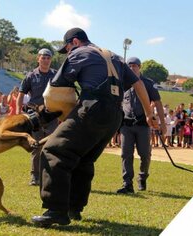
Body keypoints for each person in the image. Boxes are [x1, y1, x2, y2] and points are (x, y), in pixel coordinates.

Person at [31, 28, 156, 227]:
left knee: (53, 151)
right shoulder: (113, 56)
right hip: (115, 114)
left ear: (75, 41)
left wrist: (49, 114)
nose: (68, 52)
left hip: (93, 108)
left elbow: (55, 90)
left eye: (68, 48)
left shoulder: (79, 54)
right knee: (84, 157)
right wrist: (149, 114)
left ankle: (56, 210)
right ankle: (74, 208)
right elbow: (139, 84)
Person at [116, 57, 166, 194]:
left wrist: (162, 123)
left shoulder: (148, 83)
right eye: (130, 66)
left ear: (140, 67)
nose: (132, 68)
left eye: (135, 66)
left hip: (143, 125)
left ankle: (142, 177)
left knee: (145, 154)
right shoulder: (122, 83)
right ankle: (127, 184)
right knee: (126, 154)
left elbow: (158, 102)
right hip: (126, 125)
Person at [16, 48, 58, 186]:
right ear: (38, 58)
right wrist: (18, 112)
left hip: (51, 114)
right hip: (35, 116)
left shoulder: (56, 75)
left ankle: (50, 175)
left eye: (48, 58)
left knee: (52, 145)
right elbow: (21, 94)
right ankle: (35, 176)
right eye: (43, 57)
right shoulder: (30, 76)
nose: (46, 60)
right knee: (37, 145)